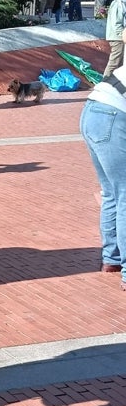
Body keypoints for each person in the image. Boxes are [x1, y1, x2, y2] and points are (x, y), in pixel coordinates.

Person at [79, 64, 126, 285]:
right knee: (124, 194)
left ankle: (112, 258)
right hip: (112, 116)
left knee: (111, 193)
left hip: (93, 111)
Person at [103, 0, 126, 78]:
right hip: (117, 38)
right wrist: (122, 35)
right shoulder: (118, 4)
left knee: (120, 65)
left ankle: (115, 87)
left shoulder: (122, 3)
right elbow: (116, 23)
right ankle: (104, 84)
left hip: (120, 37)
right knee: (114, 63)